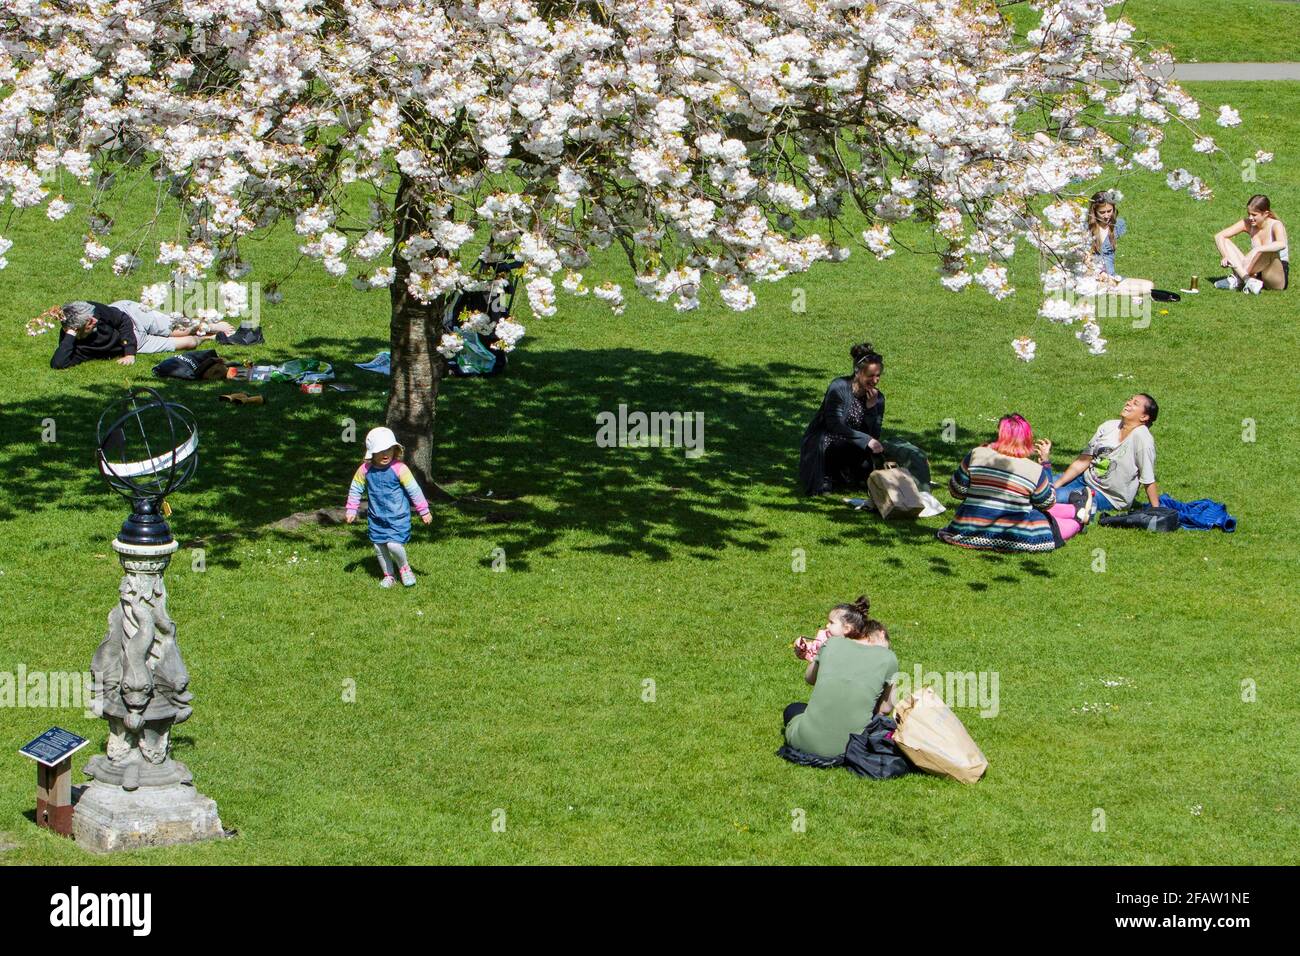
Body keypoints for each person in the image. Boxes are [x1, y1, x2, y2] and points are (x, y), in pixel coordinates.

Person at [937, 414, 1090, 552]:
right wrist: (1045, 464)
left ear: (1000, 433)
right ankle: (1079, 517)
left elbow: (956, 490)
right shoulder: (1034, 470)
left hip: (966, 530)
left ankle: (1076, 509)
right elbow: (1047, 503)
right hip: (1012, 536)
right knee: (1048, 524)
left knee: (1032, 510)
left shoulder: (977, 454)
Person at [798, 341, 932, 495]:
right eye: (870, 376)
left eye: (878, 376)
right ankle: (826, 476)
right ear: (858, 372)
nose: (875, 380)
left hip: (853, 446)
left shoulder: (877, 398)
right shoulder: (839, 387)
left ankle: (849, 475)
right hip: (827, 440)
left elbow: (875, 434)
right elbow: (834, 424)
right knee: (830, 440)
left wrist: (871, 409)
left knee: (872, 457)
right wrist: (866, 440)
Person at [783, 597, 899, 760]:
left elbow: (810, 678)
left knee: (793, 709)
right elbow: (885, 709)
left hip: (803, 742)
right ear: (880, 634)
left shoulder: (831, 644)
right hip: (852, 748)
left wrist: (818, 656)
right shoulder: (889, 658)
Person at [345, 427, 432, 588]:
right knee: (379, 546)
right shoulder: (365, 470)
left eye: (389, 449)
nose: (385, 454)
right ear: (372, 453)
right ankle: (388, 575)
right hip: (376, 517)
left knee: (393, 545)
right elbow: (355, 488)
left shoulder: (400, 468)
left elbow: (414, 490)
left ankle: (405, 569)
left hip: (398, 517)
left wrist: (424, 510)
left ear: (395, 449)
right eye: (380, 451)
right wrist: (351, 509)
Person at [1043, 394, 1161, 512]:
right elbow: (1084, 460)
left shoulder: (1143, 439)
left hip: (1108, 496)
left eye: (1135, 403)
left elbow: (1148, 478)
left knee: (1053, 497)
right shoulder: (1109, 426)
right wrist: (1057, 483)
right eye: (1130, 399)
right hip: (1084, 479)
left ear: (1144, 416)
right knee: (1039, 485)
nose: (1128, 403)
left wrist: (1156, 510)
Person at [49, 300, 234, 369]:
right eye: (89, 322)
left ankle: (212, 325)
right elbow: (58, 363)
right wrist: (70, 335)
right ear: (76, 329)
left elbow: (122, 320)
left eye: (92, 317)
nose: (95, 320)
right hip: (138, 341)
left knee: (182, 330)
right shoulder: (75, 344)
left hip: (132, 317)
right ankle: (207, 336)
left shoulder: (94, 311)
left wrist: (129, 353)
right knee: (189, 343)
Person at [1213, 194, 1289, 293]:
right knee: (1226, 241)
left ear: (1265, 213)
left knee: (1268, 250)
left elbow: (1281, 244)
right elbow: (1219, 236)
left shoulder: (1275, 225)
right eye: (1249, 213)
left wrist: (1257, 249)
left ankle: (1239, 279)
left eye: (1254, 215)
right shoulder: (1248, 223)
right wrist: (1225, 256)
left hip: (1275, 274)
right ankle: (1248, 280)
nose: (1250, 217)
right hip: (1256, 270)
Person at [1089, 191, 1153, 296]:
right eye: (1102, 212)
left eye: (1109, 211)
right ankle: (1108, 290)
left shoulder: (1118, 225)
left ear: (1114, 209)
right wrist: (1099, 274)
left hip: (1112, 277)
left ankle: (1111, 290)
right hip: (1092, 277)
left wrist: (1110, 278)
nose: (1106, 216)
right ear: (1094, 212)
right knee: (1098, 285)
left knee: (1149, 286)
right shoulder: (1086, 229)